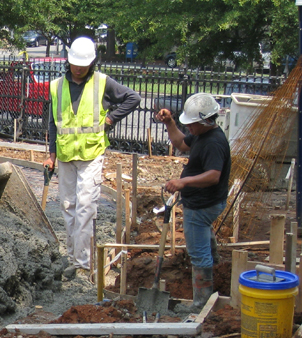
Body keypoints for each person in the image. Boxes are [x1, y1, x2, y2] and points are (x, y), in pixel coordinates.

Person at [43, 37, 141, 280]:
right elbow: (53, 124)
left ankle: (82, 263)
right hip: (66, 155)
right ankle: (73, 256)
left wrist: (110, 120)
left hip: (91, 153)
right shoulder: (56, 86)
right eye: (75, 64)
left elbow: (133, 99)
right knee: (68, 207)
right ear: (69, 61)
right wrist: (51, 156)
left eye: (83, 64)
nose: (79, 68)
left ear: (91, 62)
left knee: (86, 207)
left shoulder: (102, 83)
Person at [155, 93, 230, 309]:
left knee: (198, 254)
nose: (189, 128)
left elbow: (214, 175)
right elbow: (179, 142)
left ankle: (201, 304)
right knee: (204, 238)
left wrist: (184, 182)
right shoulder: (201, 135)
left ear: (205, 121)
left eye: (192, 124)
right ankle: (216, 272)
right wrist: (169, 122)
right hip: (204, 203)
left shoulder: (213, 142)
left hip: (202, 205)